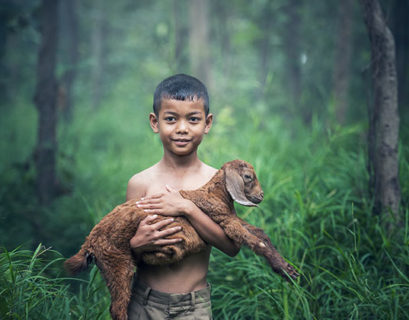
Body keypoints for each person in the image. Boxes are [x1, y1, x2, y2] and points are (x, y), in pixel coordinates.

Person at [126, 74, 239, 319]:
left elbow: (232, 246)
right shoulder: (140, 183)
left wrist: (188, 208)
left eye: (193, 119)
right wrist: (136, 245)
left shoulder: (217, 182)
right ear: (155, 122)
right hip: (142, 303)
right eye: (171, 119)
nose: (182, 128)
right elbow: (122, 252)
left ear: (207, 123)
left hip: (194, 307)